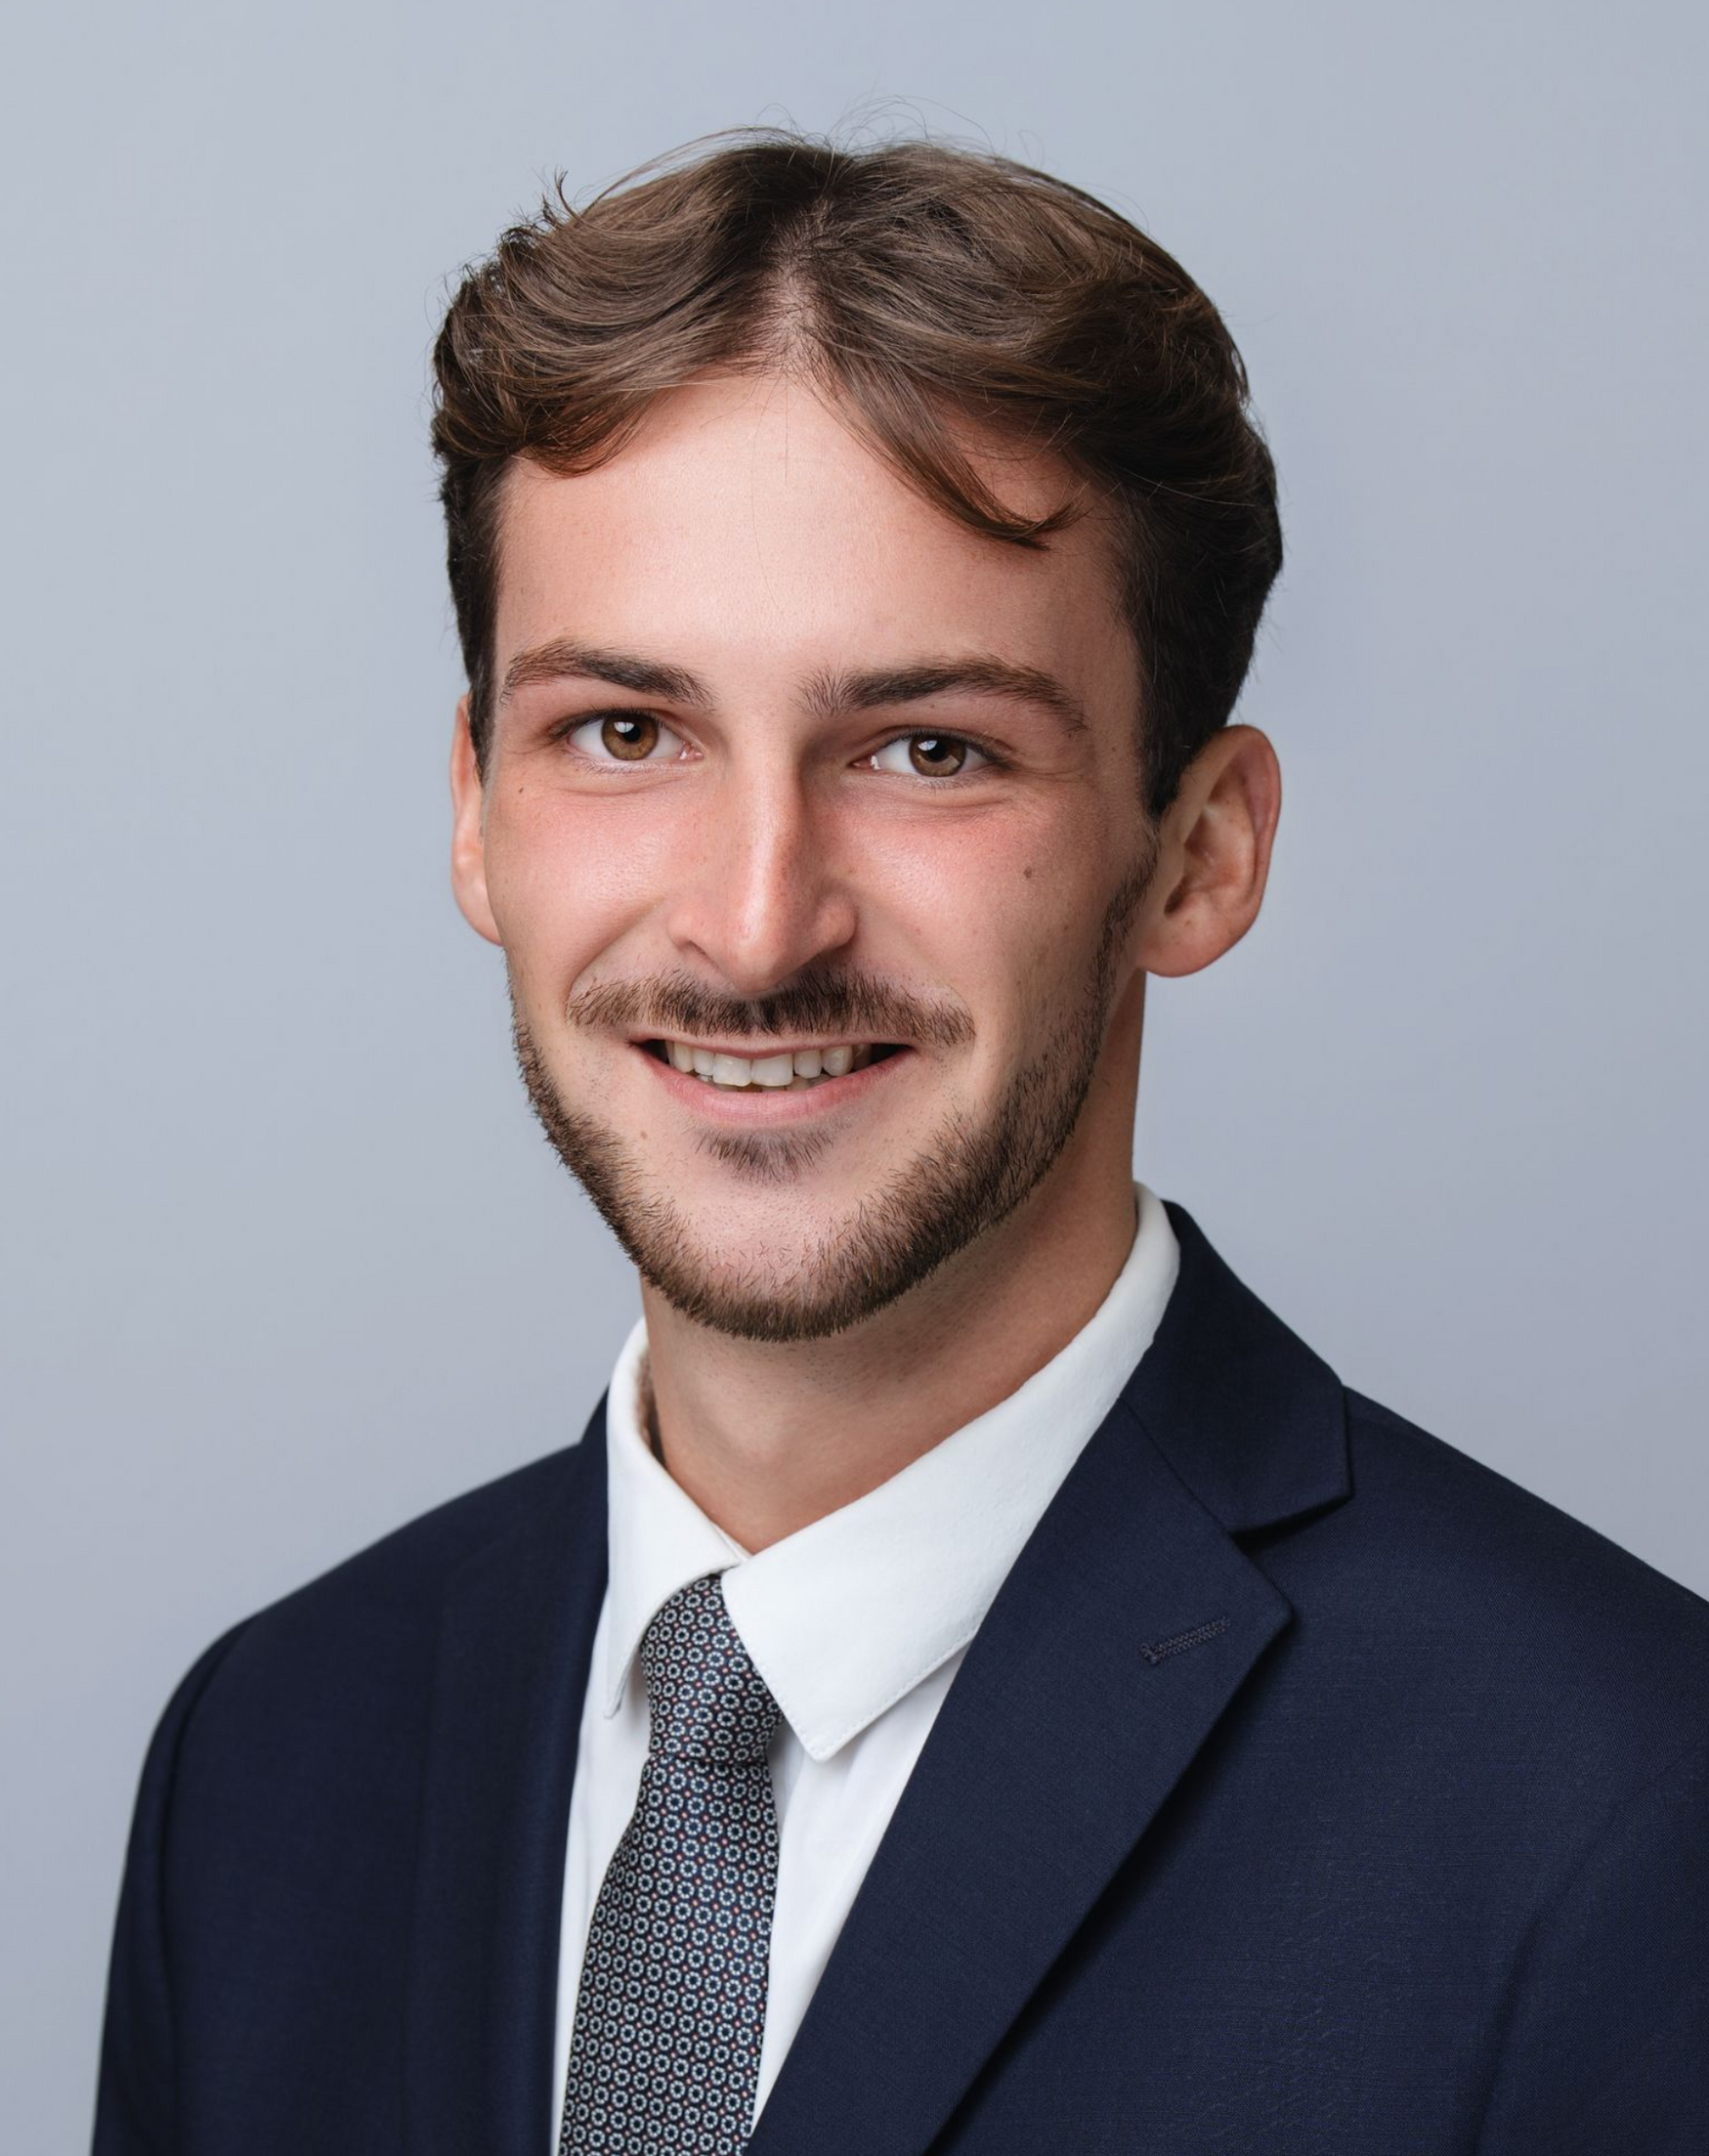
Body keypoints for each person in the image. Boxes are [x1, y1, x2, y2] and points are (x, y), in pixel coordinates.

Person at [92, 131, 1709, 2155]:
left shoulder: (1626, 1815)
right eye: (624, 731)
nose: (756, 922)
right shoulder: (270, 1760)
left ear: (1198, 855)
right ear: (475, 810)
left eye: (930, 750)